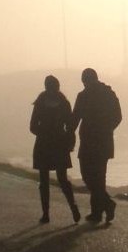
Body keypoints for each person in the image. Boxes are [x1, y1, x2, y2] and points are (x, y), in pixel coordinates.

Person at [72, 68, 123, 224]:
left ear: (86, 80)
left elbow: (74, 119)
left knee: (90, 176)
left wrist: (67, 134)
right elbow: (118, 117)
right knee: (96, 177)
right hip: (101, 141)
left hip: (92, 141)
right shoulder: (107, 94)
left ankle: (100, 211)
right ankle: (103, 207)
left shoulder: (86, 95)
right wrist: (108, 129)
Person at [29, 76, 81, 224]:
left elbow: (32, 126)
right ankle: (73, 207)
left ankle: (46, 214)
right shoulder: (64, 103)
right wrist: (69, 142)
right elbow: (70, 126)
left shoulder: (40, 103)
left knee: (44, 181)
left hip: (43, 145)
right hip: (59, 145)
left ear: (46, 86)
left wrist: (44, 132)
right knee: (63, 179)